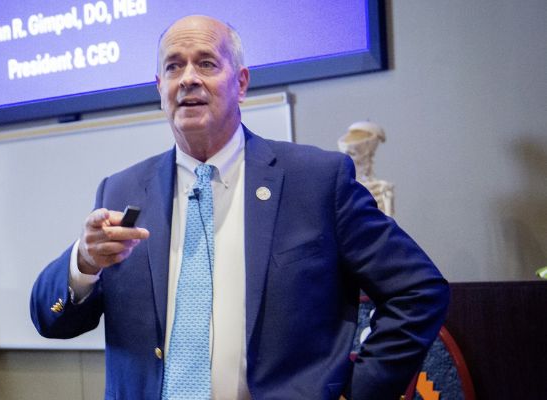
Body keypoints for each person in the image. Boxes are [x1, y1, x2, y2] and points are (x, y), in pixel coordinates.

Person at [30, 15, 449, 400]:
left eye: (207, 64)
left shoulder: (316, 181)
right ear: (160, 88)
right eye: (174, 66)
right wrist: (84, 263)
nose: (188, 79)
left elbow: (417, 290)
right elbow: (53, 322)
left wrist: (360, 392)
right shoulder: (121, 191)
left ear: (242, 84)